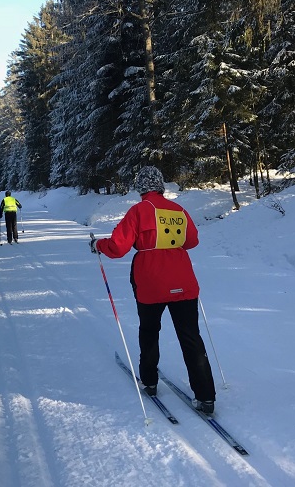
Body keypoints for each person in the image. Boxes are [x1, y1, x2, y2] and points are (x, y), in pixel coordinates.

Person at [90, 166, 216, 414]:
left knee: (149, 331)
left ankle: (149, 382)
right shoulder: (179, 211)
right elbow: (192, 241)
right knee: (191, 337)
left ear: (141, 188)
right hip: (183, 282)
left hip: (150, 282)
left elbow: (117, 247)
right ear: (160, 186)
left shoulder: (139, 210)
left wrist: (98, 245)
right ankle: (206, 396)